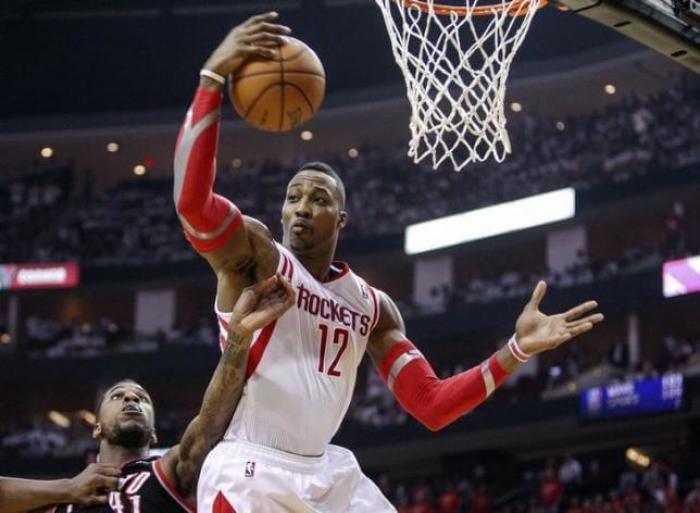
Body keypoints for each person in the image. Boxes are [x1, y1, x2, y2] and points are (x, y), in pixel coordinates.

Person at [174, 12, 605, 512]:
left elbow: (433, 407)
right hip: (252, 466)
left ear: (342, 218)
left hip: (327, 472)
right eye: (293, 197)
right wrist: (211, 79)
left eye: (318, 198)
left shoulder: (373, 307)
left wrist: (515, 350)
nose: (302, 207)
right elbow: (192, 206)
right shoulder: (259, 258)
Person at [0, 274, 294, 513]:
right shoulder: (62, 500)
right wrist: (67, 488)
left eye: (142, 398)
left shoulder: (171, 472)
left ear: (154, 434)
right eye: (118, 396)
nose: (131, 399)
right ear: (97, 426)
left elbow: (211, 422)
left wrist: (239, 338)